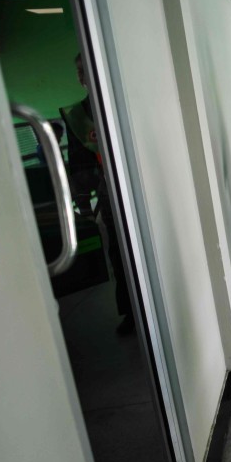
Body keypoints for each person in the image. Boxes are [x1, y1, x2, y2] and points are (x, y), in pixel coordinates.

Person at [60, 53, 133, 334]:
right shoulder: (78, 116)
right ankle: (130, 311)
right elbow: (78, 162)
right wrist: (83, 205)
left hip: (139, 190)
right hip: (109, 194)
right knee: (118, 251)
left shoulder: (122, 102)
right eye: (79, 72)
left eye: (85, 70)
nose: (82, 77)